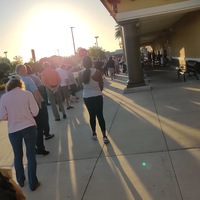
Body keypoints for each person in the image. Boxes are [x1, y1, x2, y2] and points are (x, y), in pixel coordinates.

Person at [0, 75, 40, 191]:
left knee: (17, 156)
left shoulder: (4, 97)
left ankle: (21, 181)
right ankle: (33, 183)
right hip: (29, 127)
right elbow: (35, 112)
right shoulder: (27, 94)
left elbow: (2, 116)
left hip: (13, 130)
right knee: (31, 155)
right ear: (20, 84)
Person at [15, 64, 50, 156]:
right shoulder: (27, 79)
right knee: (38, 127)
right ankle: (41, 148)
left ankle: (32, 148)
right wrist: (39, 105)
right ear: (23, 70)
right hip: (33, 106)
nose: (26, 71)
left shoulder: (12, 82)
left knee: (28, 129)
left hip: (21, 109)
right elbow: (36, 92)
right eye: (25, 69)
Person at [79, 56, 109, 144]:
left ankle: (94, 134)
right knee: (100, 115)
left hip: (87, 96)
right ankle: (104, 136)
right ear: (92, 63)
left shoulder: (80, 73)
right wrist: (97, 91)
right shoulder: (97, 72)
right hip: (97, 95)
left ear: (83, 64)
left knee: (91, 115)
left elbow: (81, 86)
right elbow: (101, 85)